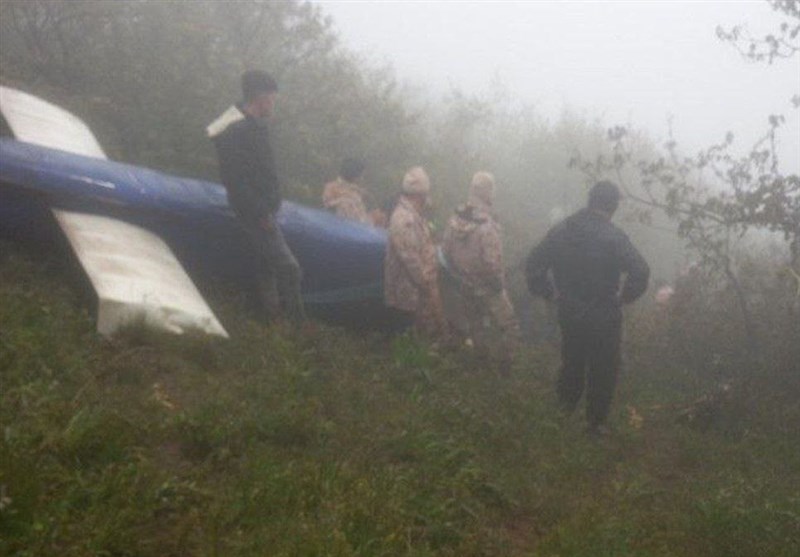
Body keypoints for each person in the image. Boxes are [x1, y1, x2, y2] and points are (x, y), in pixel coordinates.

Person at [525, 181, 649, 435]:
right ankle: (595, 424)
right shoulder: (614, 236)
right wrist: (624, 297)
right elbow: (641, 270)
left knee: (572, 361)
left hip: (569, 311)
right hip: (604, 314)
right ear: (612, 206)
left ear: (590, 200)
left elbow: (533, 264)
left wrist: (549, 293)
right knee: (604, 368)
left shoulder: (563, 229)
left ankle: (562, 415)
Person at [207, 70, 305, 323]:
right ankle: (297, 324)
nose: (273, 103)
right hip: (255, 211)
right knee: (288, 267)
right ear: (260, 97)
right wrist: (261, 211)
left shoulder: (253, 126)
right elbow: (236, 180)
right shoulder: (237, 132)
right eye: (272, 98)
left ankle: (272, 320)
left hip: (262, 208)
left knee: (266, 267)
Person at [442, 171, 520, 368]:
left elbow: (446, 252)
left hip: (464, 283)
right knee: (509, 326)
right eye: (492, 189)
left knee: (476, 325)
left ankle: (480, 363)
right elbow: (491, 261)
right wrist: (498, 284)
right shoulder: (487, 224)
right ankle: (505, 366)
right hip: (488, 285)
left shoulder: (456, 218)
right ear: (487, 191)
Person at [384, 166, 447, 338]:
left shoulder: (414, 215)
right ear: (420, 194)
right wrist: (426, 285)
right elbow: (410, 258)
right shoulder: (404, 218)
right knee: (408, 342)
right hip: (407, 298)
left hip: (415, 295)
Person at [322, 158, 372, 225]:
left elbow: (363, 218)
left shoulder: (357, 192)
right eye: (361, 175)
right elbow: (329, 209)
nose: (361, 178)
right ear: (354, 174)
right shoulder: (331, 187)